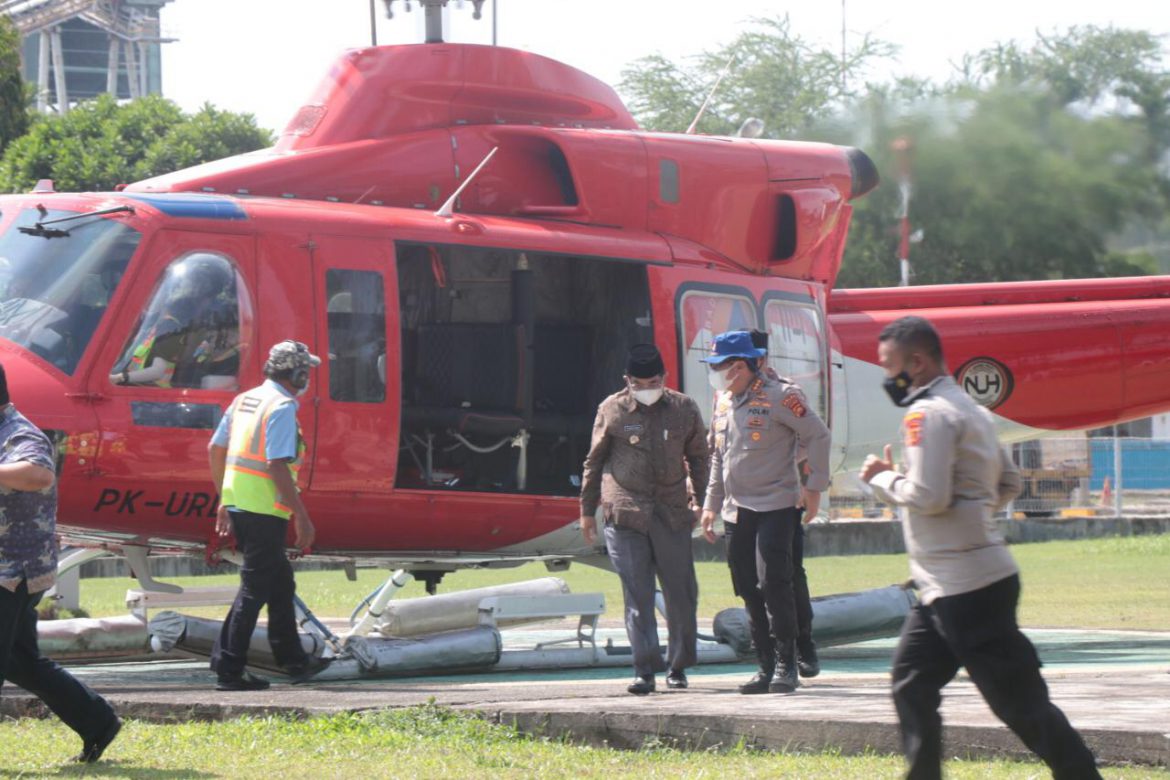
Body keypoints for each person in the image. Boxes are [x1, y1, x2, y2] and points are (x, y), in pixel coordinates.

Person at [858, 316, 1101, 780]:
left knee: (1022, 706)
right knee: (911, 683)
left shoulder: (926, 413)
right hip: (946, 585)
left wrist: (881, 478)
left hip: (966, 588)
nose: (887, 377)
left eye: (890, 366)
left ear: (918, 361)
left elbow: (929, 496)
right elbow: (1007, 482)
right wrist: (972, 517)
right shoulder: (972, 408)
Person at [0, 362, 121, 762]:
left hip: (12, 571)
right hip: (13, 568)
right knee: (20, 661)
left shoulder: (19, 433)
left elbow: (38, 475)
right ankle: (97, 721)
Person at [699, 330, 830, 694]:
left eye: (718, 366)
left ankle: (788, 664)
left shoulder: (782, 397)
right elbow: (718, 456)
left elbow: (818, 436)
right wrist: (710, 504)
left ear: (739, 367)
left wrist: (814, 487)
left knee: (774, 583)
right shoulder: (723, 401)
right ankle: (764, 665)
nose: (714, 373)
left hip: (776, 505)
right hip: (736, 510)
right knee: (747, 588)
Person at [579, 343, 708, 695]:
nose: (647, 387)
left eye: (653, 380)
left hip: (671, 511)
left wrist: (703, 501)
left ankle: (678, 667)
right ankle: (644, 670)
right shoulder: (613, 409)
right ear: (627, 380)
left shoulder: (684, 408)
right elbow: (594, 461)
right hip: (625, 512)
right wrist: (586, 511)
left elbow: (699, 458)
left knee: (681, 593)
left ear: (664, 378)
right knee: (637, 594)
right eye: (639, 382)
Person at [207, 340, 329, 691]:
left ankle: (293, 660)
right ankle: (229, 668)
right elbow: (275, 465)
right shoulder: (281, 407)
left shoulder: (243, 400)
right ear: (298, 373)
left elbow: (215, 448)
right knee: (254, 589)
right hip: (264, 509)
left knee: (280, 584)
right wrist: (301, 516)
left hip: (241, 504)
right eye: (308, 372)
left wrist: (223, 499)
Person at [110, 255, 234, 388]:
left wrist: (118, 378)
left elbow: (158, 371)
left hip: (148, 391)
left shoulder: (170, 325)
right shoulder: (152, 325)